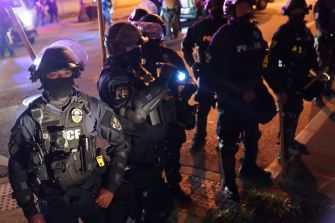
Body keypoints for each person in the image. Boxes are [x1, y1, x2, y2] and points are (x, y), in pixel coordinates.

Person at [8, 39, 129, 223]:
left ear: (74, 73)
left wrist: (111, 187)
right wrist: (31, 211)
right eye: (54, 75)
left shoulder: (93, 108)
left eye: (66, 73)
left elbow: (121, 144)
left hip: (94, 193)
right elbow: (17, 167)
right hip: (54, 201)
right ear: (43, 77)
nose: (61, 78)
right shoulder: (30, 119)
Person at [98, 22, 174, 223]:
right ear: (118, 48)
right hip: (132, 152)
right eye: (133, 46)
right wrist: (162, 82)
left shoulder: (133, 68)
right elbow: (136, 112)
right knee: (137, 207)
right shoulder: (114, 77)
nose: (137, 49)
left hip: (151, 149)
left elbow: (154, 98)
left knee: (160, 204)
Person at [209, 0, 276, 202]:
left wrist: (278, 88)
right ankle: (228, 183)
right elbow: (215, 73)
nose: (246, 10)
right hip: (232, 98)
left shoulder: (254, 32)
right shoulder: (222, 36)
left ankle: (249, 167)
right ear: (230, 10)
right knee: (228, 142)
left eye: (247, 6)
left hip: (253, 94)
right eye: (241, 7)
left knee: (252, 133)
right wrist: (240, 91)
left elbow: (264, 62)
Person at [138, 13, 198, 201]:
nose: (152, 34)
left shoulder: (169, 55)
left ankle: (174, 186)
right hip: (148, 117)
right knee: (150, 158)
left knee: (172, 154)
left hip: (171, 114)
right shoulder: (135, 58)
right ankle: (154, 193)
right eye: (148, 29)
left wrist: (182, 95)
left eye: (157, 29)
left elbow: (188, 81)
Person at [267, 0, 321, 160]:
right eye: (295, 11)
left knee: (296, 109)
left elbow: (311, 55)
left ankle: (289, 141)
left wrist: (317, 69)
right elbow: (272, 61)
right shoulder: (282, 33)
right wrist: (279, 87)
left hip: (301, 79)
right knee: (288, 113)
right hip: (286, 80)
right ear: (289, 13)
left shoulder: (306, 33)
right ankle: (283, 151)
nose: (298, 15)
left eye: (301, 11)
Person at [182, 0, 227, 152]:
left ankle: (224, 139)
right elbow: (186, 46)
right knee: (202, 109)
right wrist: (193, 64)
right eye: (213, 6)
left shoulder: (229, 26)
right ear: (208, 8)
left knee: (226, 109)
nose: (216, 9)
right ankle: (199, 137)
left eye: (219, 5)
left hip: (227, 76)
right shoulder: (199, 27)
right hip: (207, 76)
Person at [313, 0, 335, 105]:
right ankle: (317, 95)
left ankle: (327, 90)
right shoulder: (321, 3)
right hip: (325, 42)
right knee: (323, 69)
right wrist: (331, 33)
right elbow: (320, 25)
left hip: (333, 42)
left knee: (332, 68)